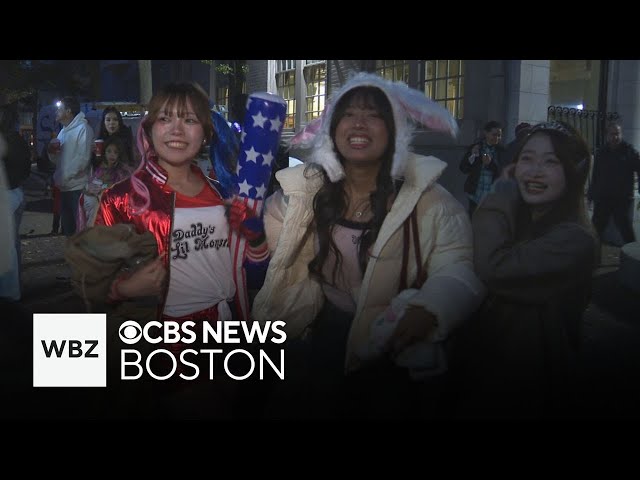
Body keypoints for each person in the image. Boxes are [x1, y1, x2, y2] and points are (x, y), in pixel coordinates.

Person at [252, 72, 486, 419]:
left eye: (375, 114)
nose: (359, 122)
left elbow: (457, 266)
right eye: (348, 113)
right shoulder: (307, 191)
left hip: (392, 340)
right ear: (332, 128)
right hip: (326, 333)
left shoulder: (431, 201)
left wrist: (430, 308)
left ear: (395, 131)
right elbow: (278, 234)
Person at [90, 81, 268, 418]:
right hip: (164, 341)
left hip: (228, 331)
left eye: (189, 120)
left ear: (206, 132)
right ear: (148, 130)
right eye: (165, 119)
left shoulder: (222, 191)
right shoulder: (123, 198)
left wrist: (256, 239)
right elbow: (89, 281)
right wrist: (123, 288)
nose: (176, 130)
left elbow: (251, 272)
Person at [448, 121, 599, 418]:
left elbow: (492, 267)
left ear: (574, 172)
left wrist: (501, 191)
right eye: (527, 159)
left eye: (550, 161)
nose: (534, 171)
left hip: (531, 386)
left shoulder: (575, 240)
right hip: (488, 373)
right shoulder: (520, 222)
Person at [588, 120, 640, 245]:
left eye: (617, 134)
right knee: (596, 228)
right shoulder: (601, 153)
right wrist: (591, 195)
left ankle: (634, 255)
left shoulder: (629, 151)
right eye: (612, 134)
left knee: (625, 227)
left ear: (621, 134)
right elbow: (595, 176)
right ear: (607, 135)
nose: (615, 137)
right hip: (603, 197)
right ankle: (592, 255)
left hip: (621, 197)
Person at [48, 96, 94, 236]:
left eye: (59, 109)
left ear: (68, 111)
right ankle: (71, 257)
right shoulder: (63, 131)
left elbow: (82, 159)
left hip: (78, 188)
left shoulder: (83, 129)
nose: (56, 112)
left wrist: (63, 176)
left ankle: (83, 258)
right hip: (64, 188)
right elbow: (58, 161)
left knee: (81, 231)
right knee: (68, 231)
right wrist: (52, 153)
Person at [0, 106, 31, 301]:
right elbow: (25, 170)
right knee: (12, 244)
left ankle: (10, 292)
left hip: (7, 195)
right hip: (16, 193)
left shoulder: (6, 141)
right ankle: (14, 289)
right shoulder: (17, 140)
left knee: (8, 246)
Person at [77, 135, 132, 230]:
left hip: (110, 204)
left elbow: (122, 190)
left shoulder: (122, 171)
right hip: (94, 199)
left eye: (115, 152)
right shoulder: (100, 169)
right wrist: (89, 190)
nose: (112, 155)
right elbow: (89, 185)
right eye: (109, 151)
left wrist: (105, 190)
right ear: (104, 152)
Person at [459, 120, 505, 217]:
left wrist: (490, 164)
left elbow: (504, 173)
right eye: (494, 134)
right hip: (475, 193)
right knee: (473, 218)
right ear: (486, 133)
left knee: (488, 221)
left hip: (492, 195)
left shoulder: (501, 151)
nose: (497, 138)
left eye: (499, 135)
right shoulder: (476, 147)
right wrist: (472, 155)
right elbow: (464, 168)